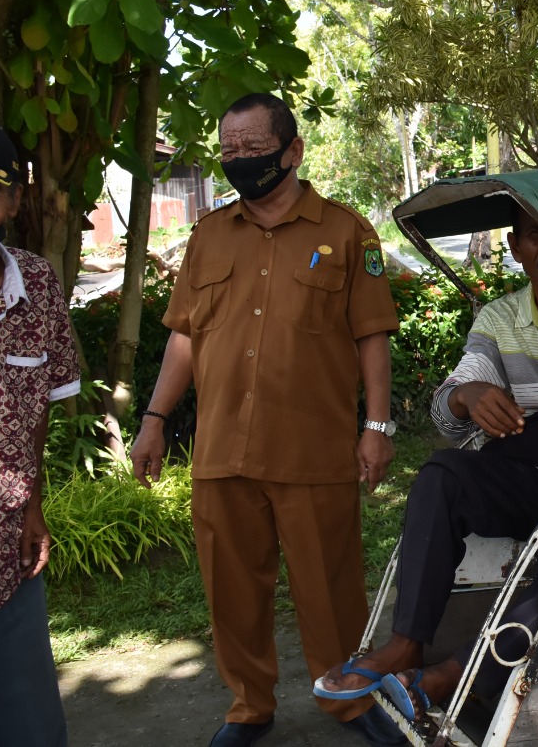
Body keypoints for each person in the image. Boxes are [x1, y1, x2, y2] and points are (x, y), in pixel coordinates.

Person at [313, 207, 538, 717]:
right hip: (533, 474)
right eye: (535, 235)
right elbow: (448, 409)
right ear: (514, 246)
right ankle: (406, 641)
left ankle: (456, 674)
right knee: (442, 475)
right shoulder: (500, 319)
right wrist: (470, 395)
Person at [128, 94, 404, 747]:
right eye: (230, 152)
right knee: (232, 591)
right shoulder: (209, 236)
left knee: (330, 588)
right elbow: (185, 339)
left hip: (312, 450)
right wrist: (155, 418)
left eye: (253, 150)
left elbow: (372, 335)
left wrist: (378, 426)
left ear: (293, 150)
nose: (240, 163)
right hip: (222, 449)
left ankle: (349, 700)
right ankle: (249, 706)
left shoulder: (344, 232)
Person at [0, 127, 79, 747]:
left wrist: (32, 505)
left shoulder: (38, 284)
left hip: (9, 551)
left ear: (15, 201)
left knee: (32, 729)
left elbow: (42, 406)